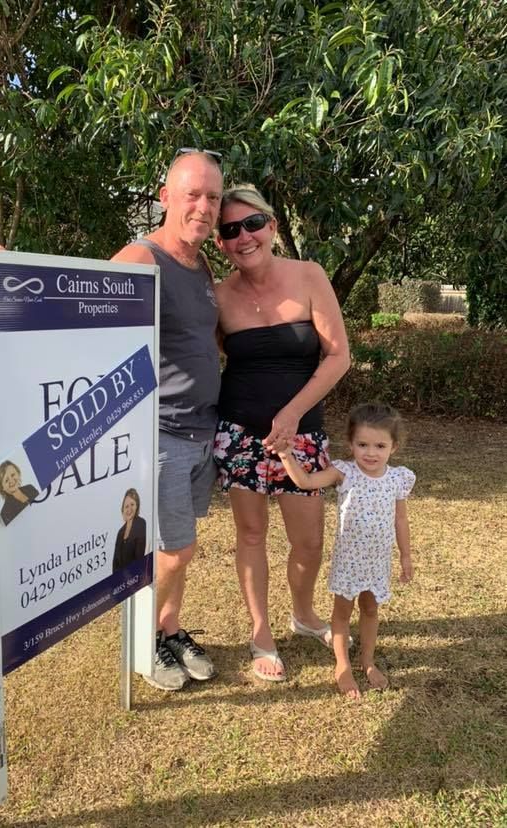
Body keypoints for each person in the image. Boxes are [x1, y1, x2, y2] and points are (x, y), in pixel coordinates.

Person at [213, 185, 350, 682]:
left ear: (271, 225)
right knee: (250, 535)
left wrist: (292, 414)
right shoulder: (220, 296)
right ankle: (260, 633)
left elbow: (338, 356)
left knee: (308, 542)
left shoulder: (309, 275)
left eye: (252, 224)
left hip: (302, 437)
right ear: (220, 243)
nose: (243, 237)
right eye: (229, 230)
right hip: (240, 436)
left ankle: (303, 613)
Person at [111, 149, 224, 691]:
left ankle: (169, 630)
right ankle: (143, 643)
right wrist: (11, 274)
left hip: (202, 432)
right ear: (165, 198)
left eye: (213, 197)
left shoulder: (201, 265)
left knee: (181, 544)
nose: (204, 206)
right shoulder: (143, 258)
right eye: (192, 194)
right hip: (161, 433)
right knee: (175, 550)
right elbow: (78, 311)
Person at [278, 402, 415, 698]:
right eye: (362, 444)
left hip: (378, 562)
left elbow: (400, 519)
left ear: (393, 447)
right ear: (351, 444)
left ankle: (367, 661)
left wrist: (405, 555)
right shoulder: (344, 472)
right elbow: (305, 481)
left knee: (370, 610)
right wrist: (285, 454)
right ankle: (342, 665)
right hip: (349, 562)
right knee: (341, 614)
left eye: (380, 445)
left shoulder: (397, 478)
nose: (371, 452)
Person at [112, 488, 147, 573]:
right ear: (123, 509)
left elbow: (139, 557)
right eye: (126, 506)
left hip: (134, 577)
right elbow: (115, 562)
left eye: (132, 504)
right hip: (120, 580)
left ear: (137, 506)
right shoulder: (120, 532)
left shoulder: (140, 523)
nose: (129, 509)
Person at [0, 461, 39, 526]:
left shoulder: (30, 488)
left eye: (13, 475)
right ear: (2, 487)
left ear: (18, 473)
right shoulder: (5, 513)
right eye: (6, 480)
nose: (11, 481)